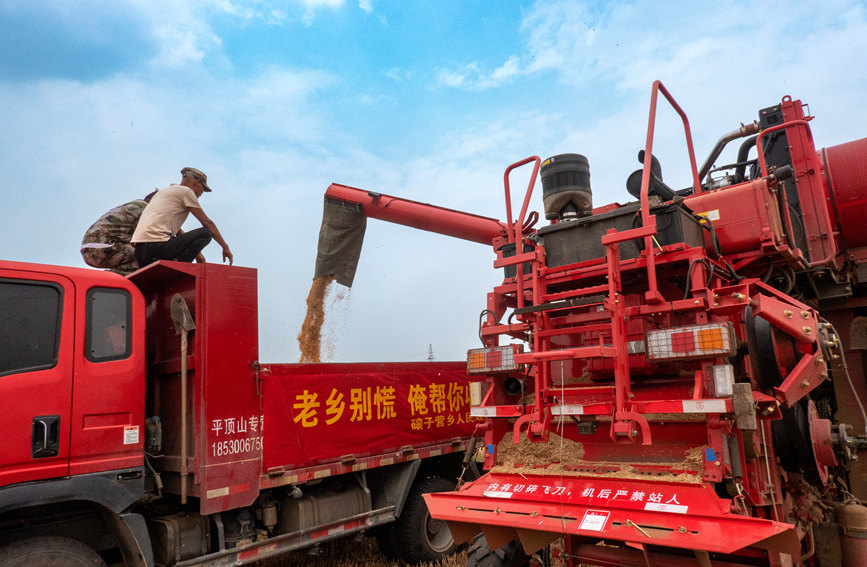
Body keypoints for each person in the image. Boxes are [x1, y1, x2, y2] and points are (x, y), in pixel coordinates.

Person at [131, 167, 233, 268]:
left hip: (140, 253)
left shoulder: (164, 192)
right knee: (205, 233)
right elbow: (207, 223)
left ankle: (174, 264)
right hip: (157, 247)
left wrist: (198, 254)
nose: (202, 193)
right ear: (196, 182)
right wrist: (225, 247)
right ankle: (178, 266)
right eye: (203, 188)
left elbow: (177, 230)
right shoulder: (186, 192)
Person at [81, 190, 157, 275]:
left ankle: (112, 276)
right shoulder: (145, 208)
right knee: (148, 255)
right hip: (104, 248)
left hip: (87, 251)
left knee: (136, 256)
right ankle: (118, 278)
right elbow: (147, 237)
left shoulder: (131, 206)